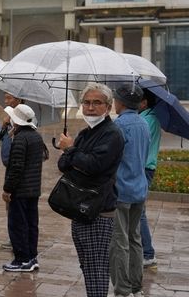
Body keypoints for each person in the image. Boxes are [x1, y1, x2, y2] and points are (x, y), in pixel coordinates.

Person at [56, 83, 124, 297]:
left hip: (99, 211)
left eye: (97, 103)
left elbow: (94, 165)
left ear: (108, 106)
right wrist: (71, 152)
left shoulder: (112, 134)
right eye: (87, 102)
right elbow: (64, 165)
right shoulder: (86, 133)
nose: (91, 108)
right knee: (87, 266)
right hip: (80, 208)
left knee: (96, 269)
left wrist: (71, 150)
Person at [110, 84, 150, 297]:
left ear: (121, 102)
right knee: (135, 239)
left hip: (121, 191)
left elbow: (111, 158)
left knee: (119, 241)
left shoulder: (118, 126)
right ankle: (136, 287)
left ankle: (123, 290)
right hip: (139, 189)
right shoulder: (144, 123)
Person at [0, 104, 47, 272]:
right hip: (33, 189)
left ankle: (21, 259)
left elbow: (16, 167)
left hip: (20, 190)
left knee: (17, 224)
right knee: (31, 223)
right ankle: (31, 257)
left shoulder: (21, 138)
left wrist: (7, 189)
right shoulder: (35, 136)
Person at [0, 93, 23, 250]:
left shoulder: (25, 119)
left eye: (9, 98)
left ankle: (18, 239)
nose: (6, 101)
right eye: (4, 97)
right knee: (9, 205)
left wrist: (14, 126)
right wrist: (5, 126)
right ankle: (13, 237)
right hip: (8, 167)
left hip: (17, 169)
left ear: (18, 100)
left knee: (16, 203)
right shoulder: (8, 118)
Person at [138, 89, 161, 267]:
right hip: (145, 168)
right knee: (138, 212)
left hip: (144, 168)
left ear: (144, 103)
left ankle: (148, 253)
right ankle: (145, 251)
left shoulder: (148, 119)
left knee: (139, 213)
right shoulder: (148, 117)